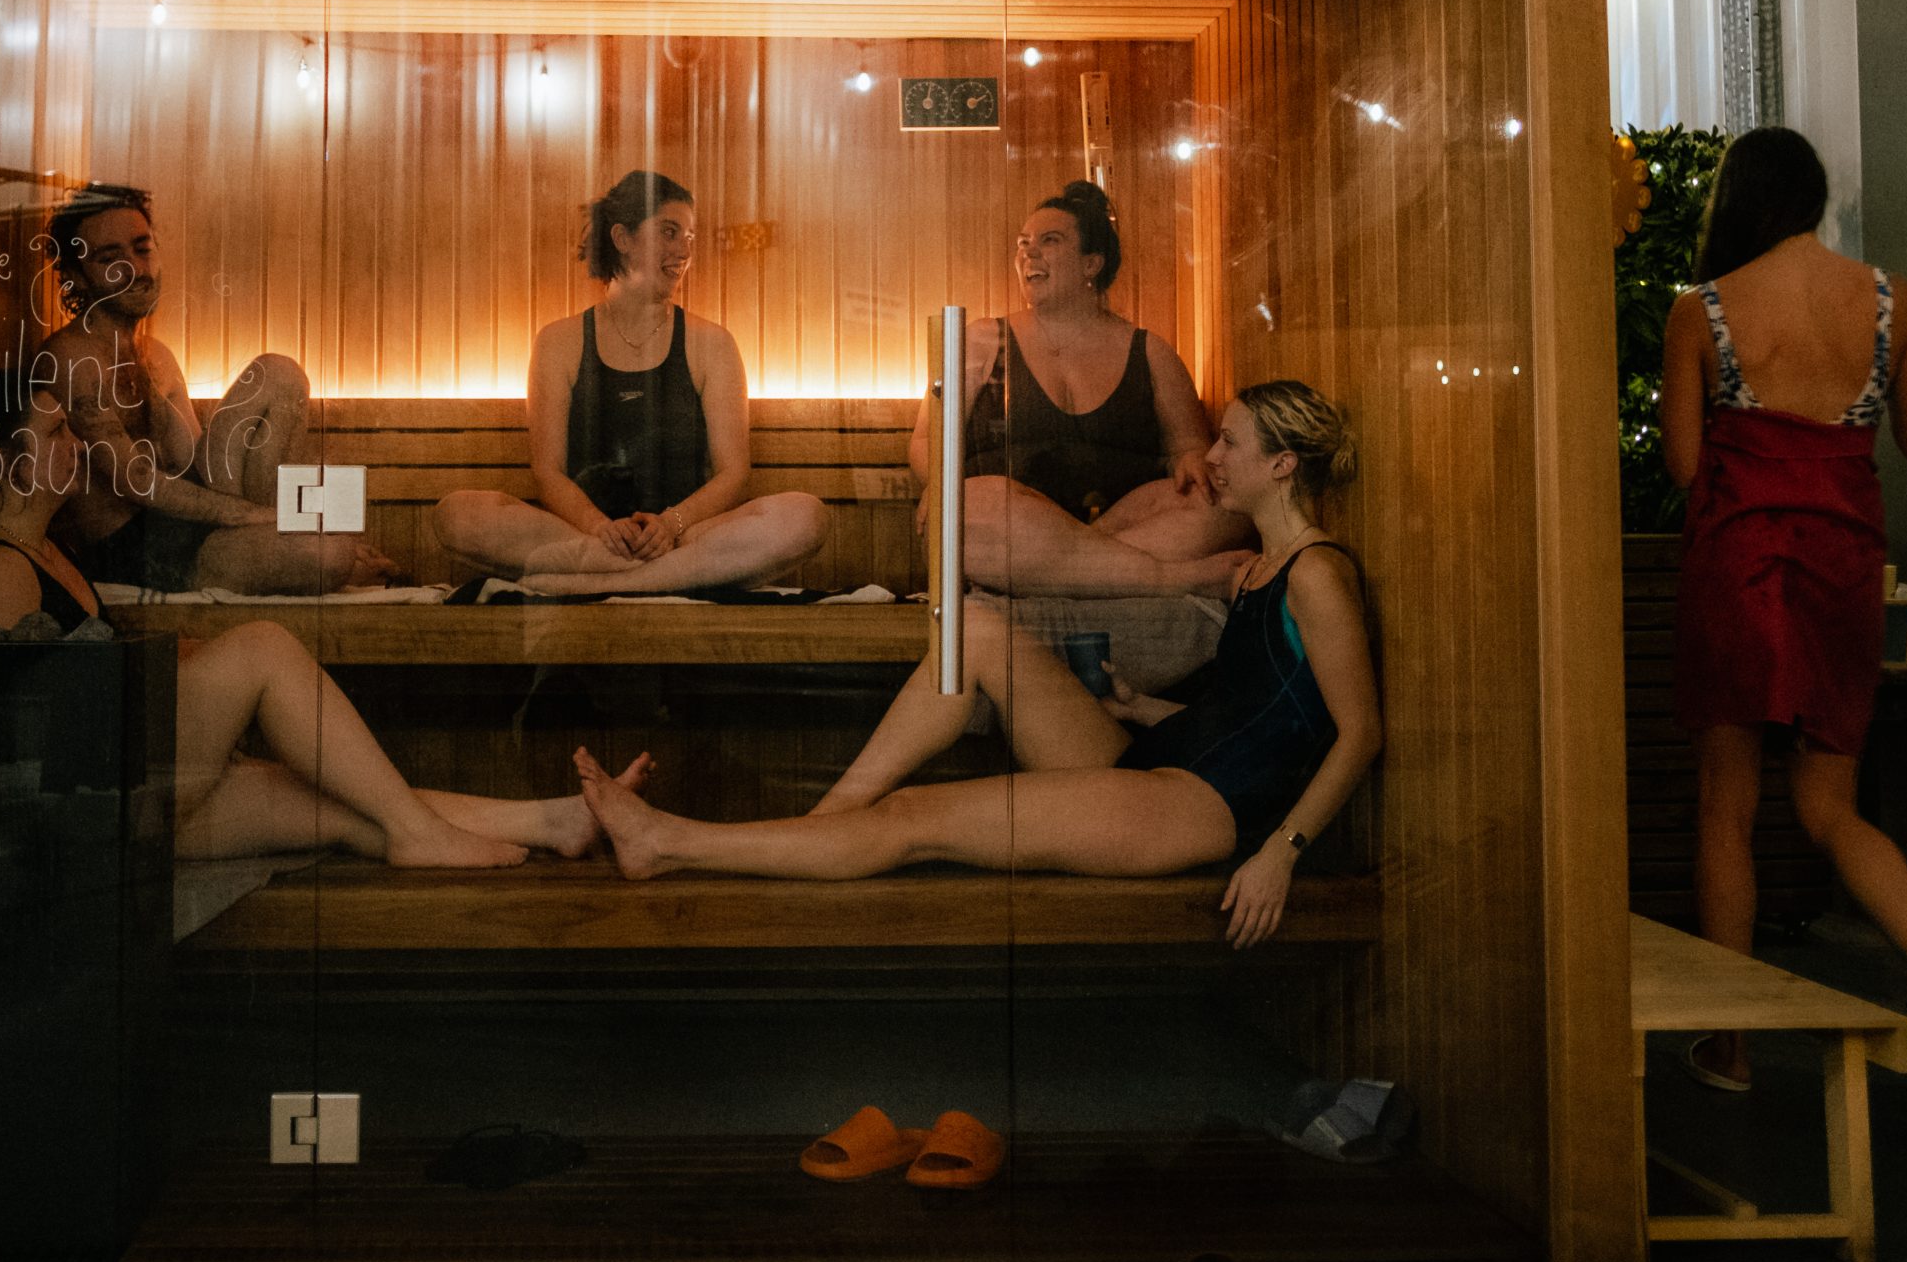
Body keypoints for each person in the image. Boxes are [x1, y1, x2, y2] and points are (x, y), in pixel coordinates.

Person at [575, 381, 1380, 947]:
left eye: (1231, 442)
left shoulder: (1317, 573)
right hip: (1172, 759)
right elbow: (1267, 713)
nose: (1210, 454)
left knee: (911, 822)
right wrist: (1143, 710)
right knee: (975, 627)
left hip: (1204, 808)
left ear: (1283, 466)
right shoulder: (1258, 570)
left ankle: (673, 843)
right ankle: (823, 831)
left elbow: (1355, 735)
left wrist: (1283, 850)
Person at [0, 351, 642, 865]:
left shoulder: (45, 548)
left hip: (117, 790)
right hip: (74, 822)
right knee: (264, 645)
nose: (74, 447)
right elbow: (5, 754)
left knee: (340, 799)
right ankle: (425, 836)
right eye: (56, 435)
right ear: (8, 460)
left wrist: (171, 672)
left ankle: (555, 821)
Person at [1660, 126, 1907, 1126]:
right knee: (1832, 807)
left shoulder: (1702, 310)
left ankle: (1727, 1043)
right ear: (1815, 198)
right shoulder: (1895, 300)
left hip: (1737, 564)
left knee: (1726, 804)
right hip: (1843, 571)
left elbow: (1684, 463)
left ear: (1738, 201)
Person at [431, 169, 827, 594]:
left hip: (686, 537)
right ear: (622, 238)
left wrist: (670, 525)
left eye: (689, 238)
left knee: (805, 515)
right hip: (586, 536)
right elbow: (548, 470)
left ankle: (594, 582)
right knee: (457, 513)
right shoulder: (559, 342)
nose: (683, 252)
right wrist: (600, 529)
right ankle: (661, 579)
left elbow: (733, 472)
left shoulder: (712, 344)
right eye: (669, 232)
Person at [38, 182, 394, 595]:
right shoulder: (69, 359)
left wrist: (266, 519)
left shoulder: (157, 356)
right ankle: (307, 550)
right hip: (138, 551)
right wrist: (260, 520)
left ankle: (295, 544)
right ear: (77, 278)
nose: (136, 269)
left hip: (189, 527)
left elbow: (197, 462)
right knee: (328, 555)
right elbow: (136, 481)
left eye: (142, 248)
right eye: (110, 258)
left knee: (280, 373)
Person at [913, 180, 1250, 598]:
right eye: (1023, 244)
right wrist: (945, 488)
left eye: (1049, 241)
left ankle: (1052, 576)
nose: (1028, 253)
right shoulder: (981, 342)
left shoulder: (1151, 353)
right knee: (980, 503)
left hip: (1111, 525)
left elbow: (1190, 449)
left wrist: (1192, 462)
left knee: (1222, 507)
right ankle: (1155, 576)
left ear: (1091, 264)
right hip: (1009, 525)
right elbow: (929, 440)